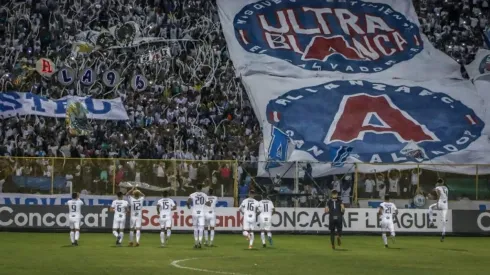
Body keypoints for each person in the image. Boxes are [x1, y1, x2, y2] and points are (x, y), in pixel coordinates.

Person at [187, 184, 209, 248]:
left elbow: (188, 202)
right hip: (202, 213)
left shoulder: (192, 194)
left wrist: (189, 206)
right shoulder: (204, 195)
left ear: (196, 187)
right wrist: (204, 204)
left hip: (194, 213)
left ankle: (196, 243)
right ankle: (200, 242)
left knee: (195, 228)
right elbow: (209, 203)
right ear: (201, 188)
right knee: (201, 228)